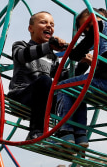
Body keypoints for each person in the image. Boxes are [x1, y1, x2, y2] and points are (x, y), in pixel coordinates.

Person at [55, 8, 107, 147]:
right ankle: (80, 136)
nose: (86, 31)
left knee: (64, 87)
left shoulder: (100, 25)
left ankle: (65, 133)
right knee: (79, 92)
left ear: (100, 16)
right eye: (83, 31)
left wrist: (72, 51)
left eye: (86, 25)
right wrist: (77, 52)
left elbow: (78, 52)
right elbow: (90, 46)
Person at [8, 11, 68, 140]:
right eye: (43, 22)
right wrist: (49, 46)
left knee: (69, 91)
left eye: (52, 24)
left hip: (42, 100)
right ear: (31, 29)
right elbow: (21, 56)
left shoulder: (52, 57)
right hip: (20, 96)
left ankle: (69, 134)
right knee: (45, 81)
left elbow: (65, 77)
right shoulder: (20, 45)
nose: (49, 26)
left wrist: (83, 63)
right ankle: (36, 131)